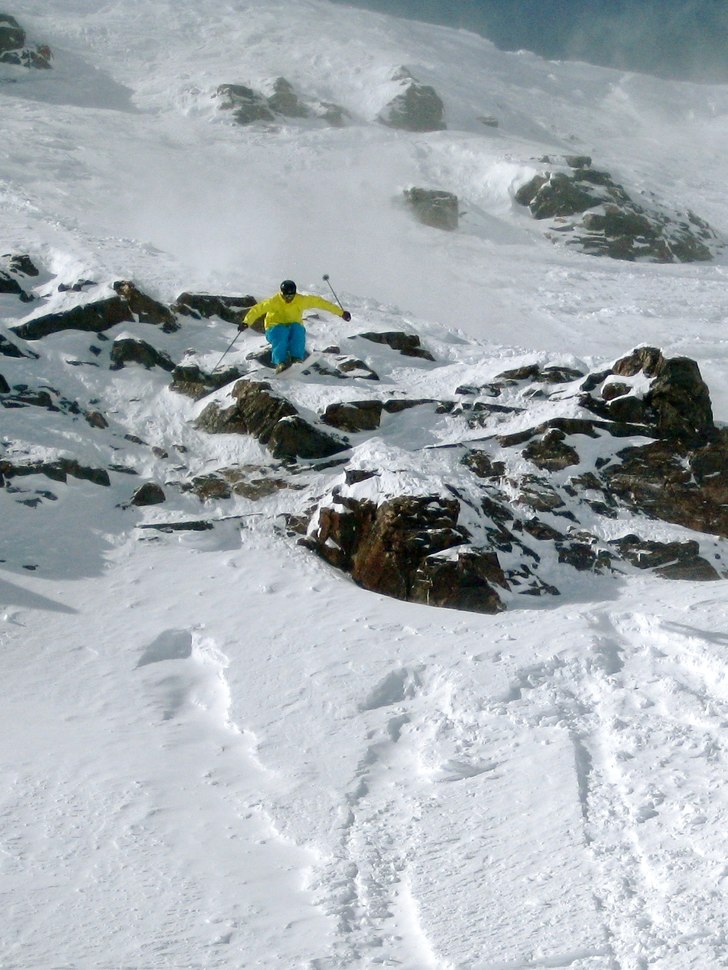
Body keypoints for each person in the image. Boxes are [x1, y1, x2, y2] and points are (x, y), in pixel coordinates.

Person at [239, 279, 352, 373]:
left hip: (292, 326)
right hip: (274, 327)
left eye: (291, 296)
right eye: (286, 296)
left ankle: (296, 358)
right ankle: (280, 363)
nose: (288, 298)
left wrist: (341, 313)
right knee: (281, 333)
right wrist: (246, 322)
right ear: (282, 294)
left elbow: (320, 303)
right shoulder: (274, 301)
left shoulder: (300, 300)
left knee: (298, 330)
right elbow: (257, 309)